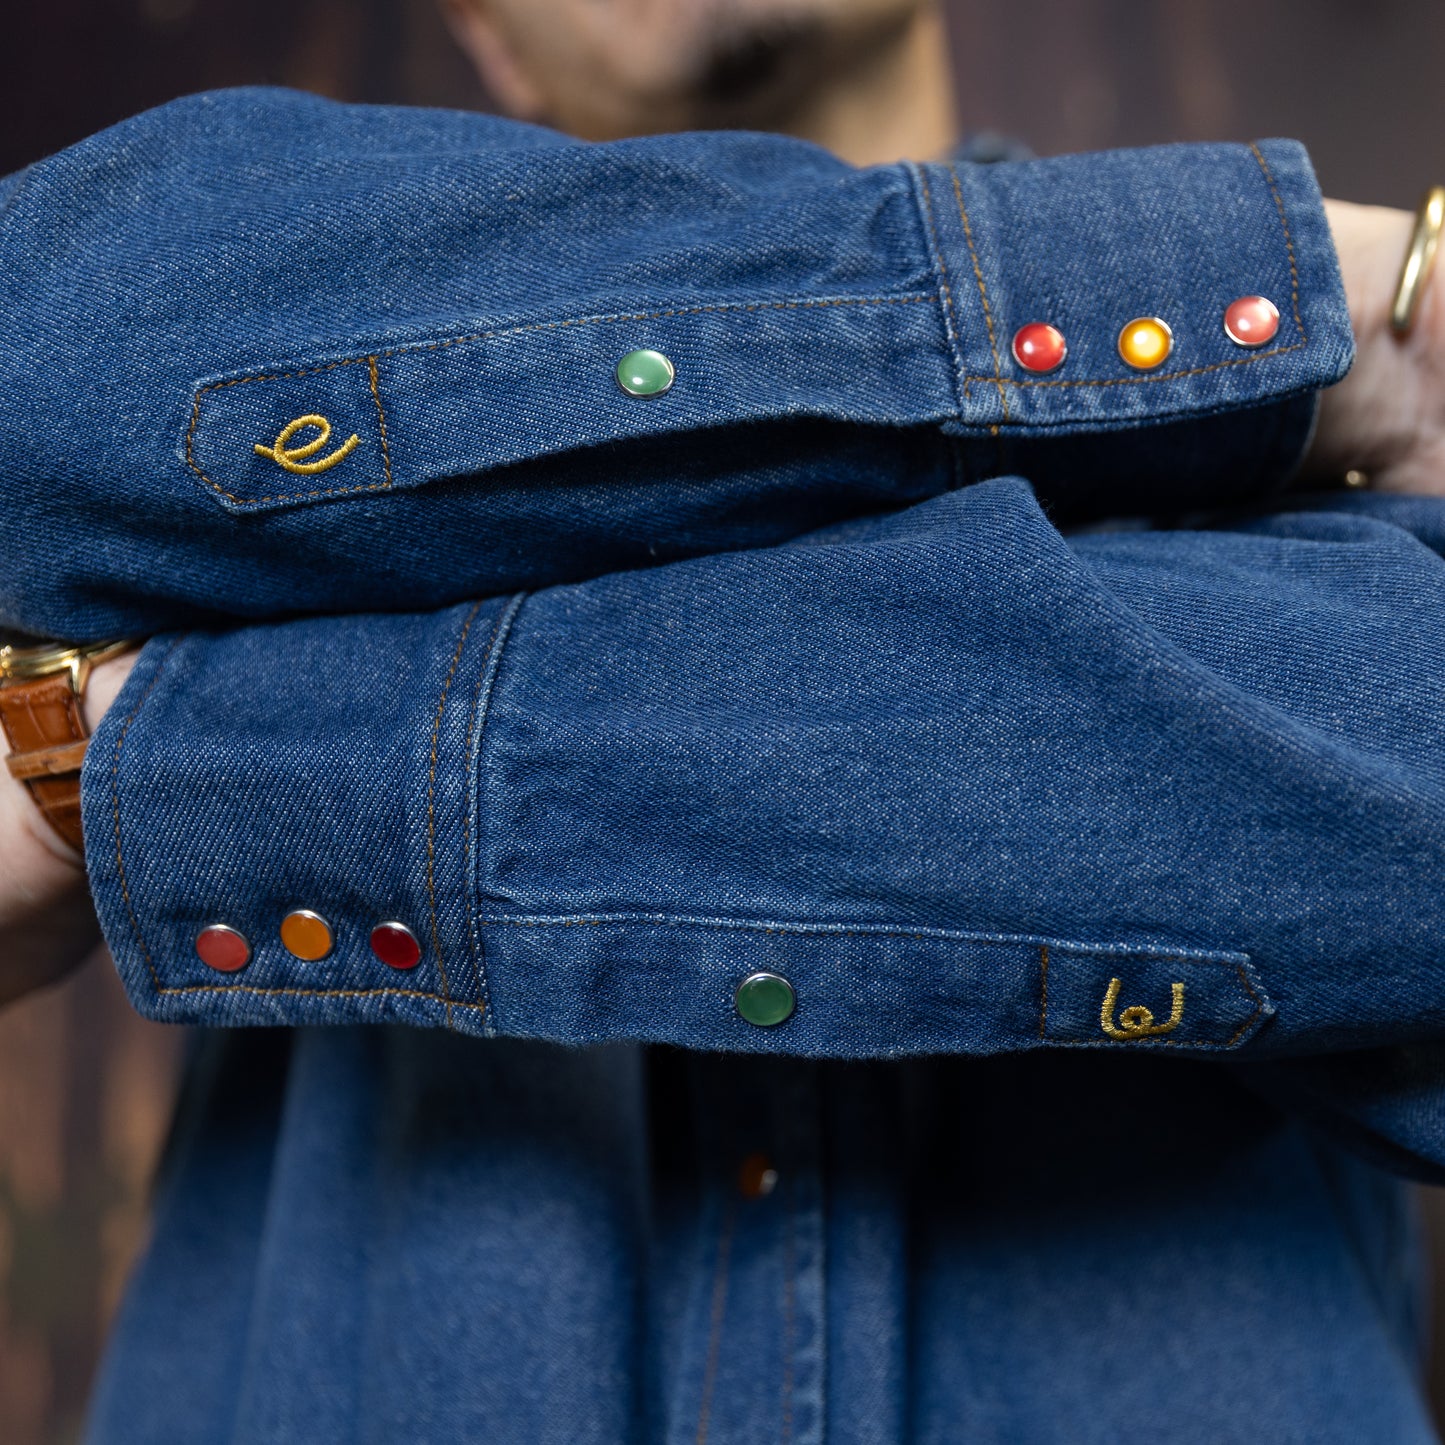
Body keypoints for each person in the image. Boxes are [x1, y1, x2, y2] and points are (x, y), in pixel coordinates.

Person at [4, 2, 1445, 1438]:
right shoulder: (1334, 395)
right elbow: (34, 390)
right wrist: (1310, 306)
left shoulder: (228, 532)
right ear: (488, 37)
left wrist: (131, 768)